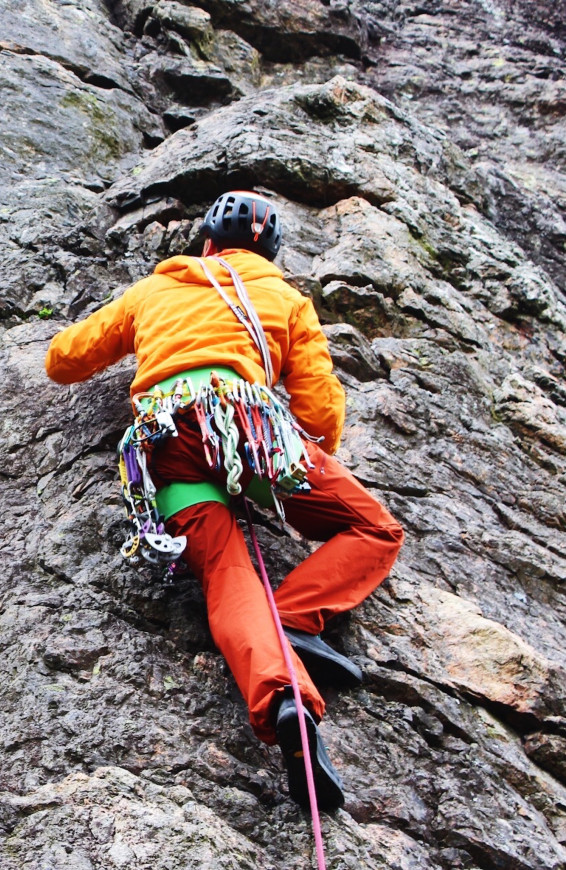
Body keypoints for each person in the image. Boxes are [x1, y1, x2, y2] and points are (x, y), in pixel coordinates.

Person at [45, 190, 404, 811]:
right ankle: (293, 618)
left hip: (167, 445)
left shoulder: (154, 290)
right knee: (374, 529)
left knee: (227, 571)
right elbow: (319, 407)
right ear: (270, 253)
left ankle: (283, 695)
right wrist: (305, 464)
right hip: (250, 435)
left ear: (207, 244)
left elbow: (63, 360)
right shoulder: (287, 300)